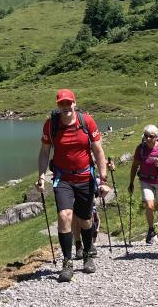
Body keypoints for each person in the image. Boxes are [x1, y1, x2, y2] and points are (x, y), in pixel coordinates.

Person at [36, 88, 111, 281]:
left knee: (85, 219)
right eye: (62, 103)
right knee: (64, 216)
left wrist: (103, 178)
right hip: (63, 178)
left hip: (85, 177)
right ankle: (67, 263)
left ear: (74, 103)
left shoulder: (87, 122)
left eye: (68, 103)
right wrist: (41, 176)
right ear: (58, 105)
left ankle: (87, 254)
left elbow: (98, 150)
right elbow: (44, 152)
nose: (66, 107)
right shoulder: (51, 125)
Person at [128, 125, 158, 245]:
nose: (148, 138)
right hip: (146, 181)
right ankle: (151, 230)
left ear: (156, 137)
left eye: (151, 136)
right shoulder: (140, 149)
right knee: (149, 206)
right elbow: (135, 166)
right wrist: (131, 183)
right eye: (146, 136)